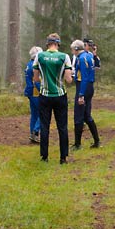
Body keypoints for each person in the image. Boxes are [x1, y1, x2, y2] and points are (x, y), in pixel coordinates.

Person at [33, 33, 73, 164]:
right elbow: (68, 80)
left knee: (44, 126)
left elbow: (35, 78)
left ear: (47, 43)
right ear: (58, 44)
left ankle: (44, 156)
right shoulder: (64, 57)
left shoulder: (40, 56)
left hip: (45, 95)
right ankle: (63, 157)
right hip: (60, 95)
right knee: (62, 126)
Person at [70, 40, 100, 150]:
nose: (72, 51)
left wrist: (81, 94)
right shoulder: (89, 55)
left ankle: (77, 144)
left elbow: (83, 77)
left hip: (83, 87)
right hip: (89, 87)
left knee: (78, 115)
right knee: (87, 115)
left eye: (72, 49)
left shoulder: (81, 58)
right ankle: (97, 141)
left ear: (77, 49)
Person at [24, 46, 43, 143]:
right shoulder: (35, 66)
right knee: (42, 112)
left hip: (29, 91)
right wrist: (42, 91)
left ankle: (32, 134)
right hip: (35, 92)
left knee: (34, 114)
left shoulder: (29, 64)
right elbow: (37, 81)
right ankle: (35, 131)